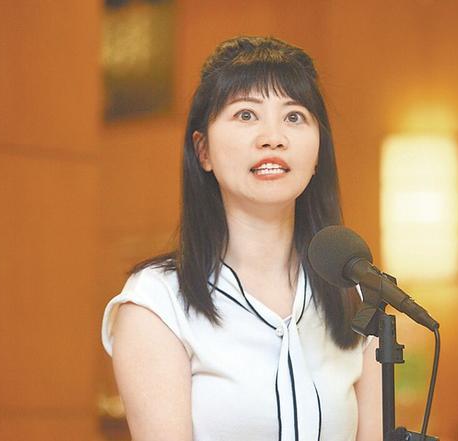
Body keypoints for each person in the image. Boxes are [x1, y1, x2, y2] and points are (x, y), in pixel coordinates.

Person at [101, 36, 381, 441]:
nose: (273, 137)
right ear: (203, 151)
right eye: (246, 115)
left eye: (294, 117)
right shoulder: (158, 302)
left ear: (319, 151)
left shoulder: (356, 292)